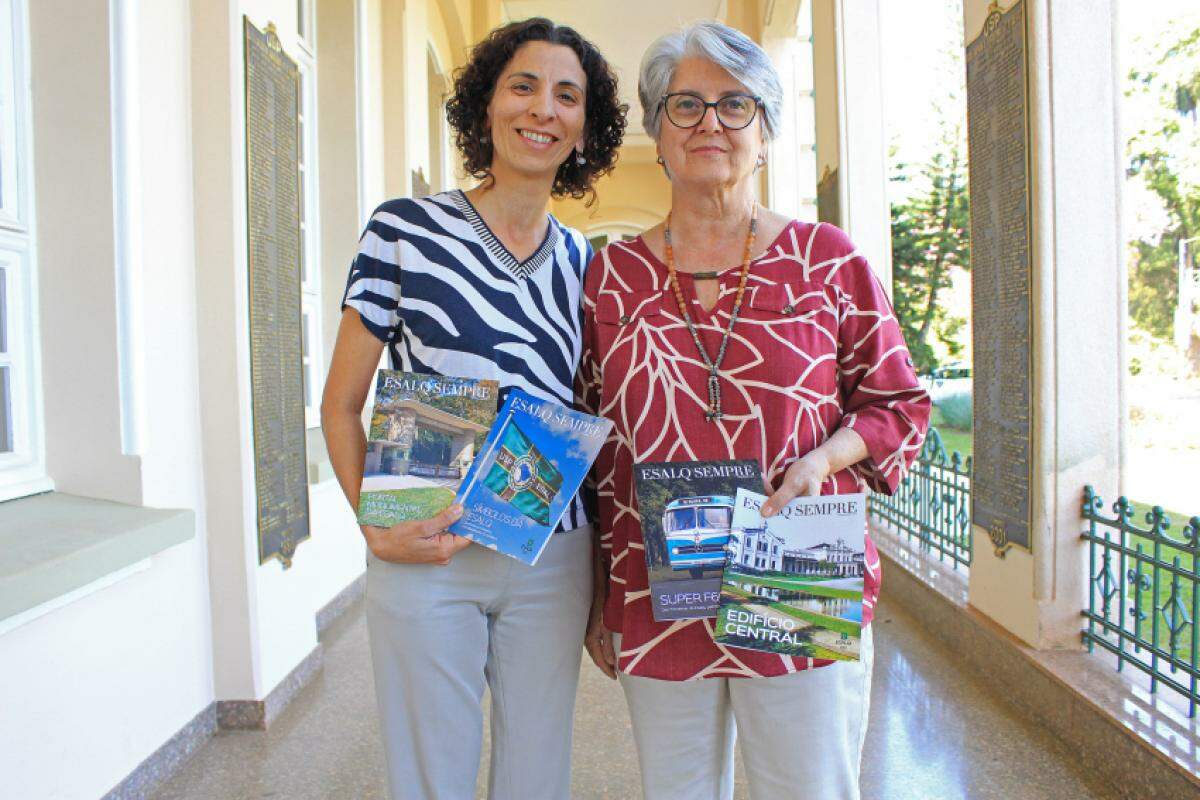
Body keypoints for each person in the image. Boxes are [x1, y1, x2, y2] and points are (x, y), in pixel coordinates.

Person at [578, 21, 930, 800]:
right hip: (654, 586)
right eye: (687, 105)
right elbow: (595, 448)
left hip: (798, 565)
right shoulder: (611, 278)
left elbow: (898, 403)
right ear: (657, 133)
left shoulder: (829, 261)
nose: (711, 122)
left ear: (766, 133)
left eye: (736, 105)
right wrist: (599, 591)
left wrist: (824, 460)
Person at [321, 18, 625, 800]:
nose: (543, 109)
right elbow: (342, 405)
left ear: (584, 127)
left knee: (537, 769)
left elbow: (585, 424)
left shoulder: (584, 265)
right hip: (426, 540)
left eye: (567, 95)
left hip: (551, 557)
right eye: (523, 86)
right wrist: (374, 521)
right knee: (432, 773)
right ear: (485, 105)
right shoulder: (404, 230)